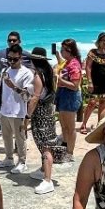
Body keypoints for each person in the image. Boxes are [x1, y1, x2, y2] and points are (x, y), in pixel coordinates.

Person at [0, 43, 39, 174]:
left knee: (20, 138)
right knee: (6, 137)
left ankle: (22, 161)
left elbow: (28, 95)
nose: (11, 62)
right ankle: (9, 158)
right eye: (9, 59)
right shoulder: (5, 71)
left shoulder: (26, 73)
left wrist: (14, 87)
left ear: (21, 58)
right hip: (5, 110)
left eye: (15, 59)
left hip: (19, 111)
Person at [27, 47, 66, 194]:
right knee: (47, 143)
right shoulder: (49, 72)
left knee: (45, 146)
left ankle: (47, 180)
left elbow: (35, 97)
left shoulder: (38, 75)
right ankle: (44, 169)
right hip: (49, 111)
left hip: (41, 113)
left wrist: (27, 116)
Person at [0, 31, 24, 150]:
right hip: (3, 94)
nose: (11, 42)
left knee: (17, 122)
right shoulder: (0, 54)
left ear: (19, 41)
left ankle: (19, 147)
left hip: (17, 95)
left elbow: (32, 70)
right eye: (9, 40)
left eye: (14, 40)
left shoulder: (24, 55)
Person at [80, 33, 105, 134]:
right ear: (99, 42)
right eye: (102, 40)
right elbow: (88, 67)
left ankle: (100, 124)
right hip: (95, 81)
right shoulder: (93, 52)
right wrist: (89, 82)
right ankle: (84, 124)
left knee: (103, 102)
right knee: (92, 103)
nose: (104, 42)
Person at [55, 38, 83, 161]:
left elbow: (75, 85)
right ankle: (65, 149)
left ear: (69, 50)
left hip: (70, 96)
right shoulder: (67, 62)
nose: (61, 52)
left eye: (62, 50)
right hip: (62, 94)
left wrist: (60, 80)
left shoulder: (74, 64)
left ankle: (70, 152)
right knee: (64, 126)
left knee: (70, 127)